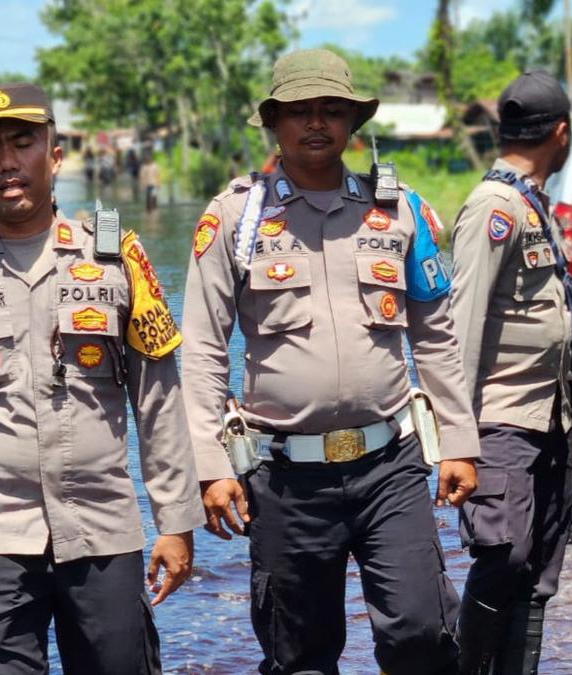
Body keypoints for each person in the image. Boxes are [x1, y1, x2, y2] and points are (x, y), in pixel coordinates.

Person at [0, 83, 204, 674]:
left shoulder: (116, 260)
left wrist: (176, 524)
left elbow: (159, 402)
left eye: (23, 143)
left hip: (103, 535)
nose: (7, 162)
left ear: (54, 154)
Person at [182, 49, 480, 675]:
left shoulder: (399, 211)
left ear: (352, 122)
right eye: (300, 112)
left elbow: (435, 334)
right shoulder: (235, 218)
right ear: (274, 122)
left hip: (390, 468)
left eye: (331, 111)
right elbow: (205, 351)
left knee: (420, 633)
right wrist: (211, 468)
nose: (316, 124)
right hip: (283, 475)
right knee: (300, 656)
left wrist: (458, 441)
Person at [448, 70, 572, 674]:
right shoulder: (494, 208)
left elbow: (567, 312)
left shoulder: (533, 204)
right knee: (505, 555)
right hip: (499, 419)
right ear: (562, 131)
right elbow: (462, 326)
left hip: (548, 419)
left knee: (539, 567)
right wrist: (456, 441)